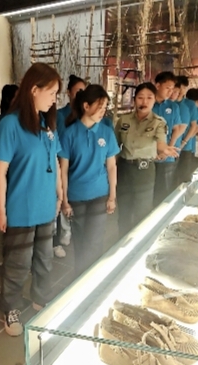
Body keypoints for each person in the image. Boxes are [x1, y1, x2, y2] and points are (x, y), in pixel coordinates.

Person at [0, 62, 62, 336]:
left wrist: (59, 194)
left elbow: (55, 163)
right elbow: (0, 172)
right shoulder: (10, 124)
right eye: (52, 92)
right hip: (21, 208)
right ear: (34, 89)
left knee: (44, 259)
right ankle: (10, 307)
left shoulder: (47, 124)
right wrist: (0, 211)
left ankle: (40, 298)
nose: (55, 98)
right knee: (18, 264)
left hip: (46, 206)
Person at [59, 85, 119, 278]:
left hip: (99, 194)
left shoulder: (106, 132)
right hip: (76, 196)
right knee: (80, 241)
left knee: (95, 241)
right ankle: (80, 279)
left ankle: (93, 279)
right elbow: (63, 170)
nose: (103, 111)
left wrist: (112, 196)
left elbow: (111, 167)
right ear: (86, 106)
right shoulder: (69, 133)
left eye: (105, 107)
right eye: (100, 107)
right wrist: (64, 201)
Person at [115, 82, 179, 237]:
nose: (144, 102)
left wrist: (164, 149)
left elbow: (161, 142)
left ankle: (138, 244)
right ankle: (122, 244)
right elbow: (115, 146)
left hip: (144, 172)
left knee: (142, 214)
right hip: (124, 170)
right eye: (140, 98)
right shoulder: (123, 120)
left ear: (154, 100)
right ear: (134, 99)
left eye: (149, 98)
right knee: (123, 212)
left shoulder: (158, 122)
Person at [52, 75, 86, 258]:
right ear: (68, 92)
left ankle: (73, 230)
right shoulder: (60, 115)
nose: (80, 94)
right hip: (63, 162)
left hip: (79, 164)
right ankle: (63, 232)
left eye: (83, 91)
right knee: (63, 196)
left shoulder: (86, 114)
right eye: (77, 90)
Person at [152, 71, 184, 206]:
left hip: (167, 157)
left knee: (164, 191)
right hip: (149, 155)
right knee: (148, 192)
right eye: (167, 88)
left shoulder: (173, 106)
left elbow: (176, 129)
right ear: (158, 85)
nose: (170, 92)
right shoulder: (148, 104)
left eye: (172, 89)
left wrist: (168, 149)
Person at [171, 76, 198, 183]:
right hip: (172, 145)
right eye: (180, 87)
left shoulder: (189, 104)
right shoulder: (170, 102)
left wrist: (183, 143)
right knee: (172, 176)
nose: (181, 90)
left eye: (184, 88)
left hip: (185, 146)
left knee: (184, 175)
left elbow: (194, 126)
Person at [182, 88, 198, 177]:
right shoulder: (197, 111)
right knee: (186, 171)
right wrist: (186, 141)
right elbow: (195, 128)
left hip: (176, 143)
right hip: (189, 145)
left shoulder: (180, 106)